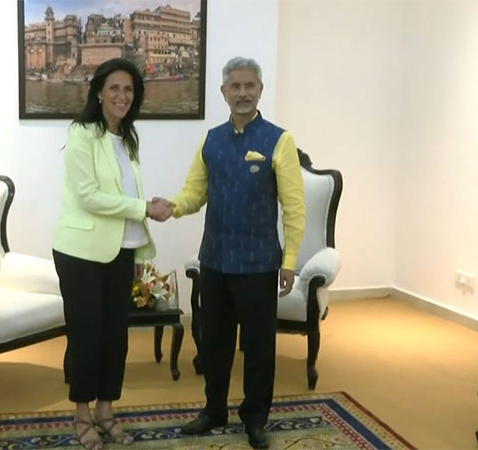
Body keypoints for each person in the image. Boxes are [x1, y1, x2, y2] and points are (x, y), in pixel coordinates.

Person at [160, 57, 306, 449]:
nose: (242, 93)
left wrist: (289, 261)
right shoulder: (211, 140)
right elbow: (195, 193)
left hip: (259, 264)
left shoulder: (280, 140)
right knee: (215, 342)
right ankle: (214, 409)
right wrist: (172, 206)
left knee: (259, 347)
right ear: (223, 92)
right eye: (235, 87)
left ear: (260, 90)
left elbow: (294, 208)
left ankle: (255, 417)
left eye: (249, 86)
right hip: (215, 260)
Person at [52, 58, 171, 450]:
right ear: (99, 92)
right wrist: (143, 209)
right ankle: (81, 415)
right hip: (81, 252)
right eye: (114, 88)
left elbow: (127, 196)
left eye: (129, 90)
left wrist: (138, 247)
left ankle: (106, 409)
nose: (122, 96)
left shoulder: (128, 137)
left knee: (115, 337)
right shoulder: (83, 133)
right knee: (87, 335)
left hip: (121, 249)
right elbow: (89, 197)